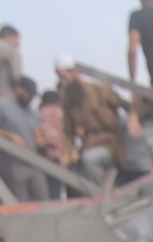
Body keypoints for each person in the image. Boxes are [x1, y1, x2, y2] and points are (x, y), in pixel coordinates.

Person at [58, 62, 136, 190]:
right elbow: (69, 132)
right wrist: (65, 154)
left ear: (76, 73)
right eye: (61, 77)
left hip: (113, 142)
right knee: (78, 165)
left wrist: (134, 117)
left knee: (89, 159)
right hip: (91, 143)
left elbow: (128, 106)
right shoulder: (69, 101)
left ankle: (104, 193)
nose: (64, 80)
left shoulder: (100, 90)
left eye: (66, 75)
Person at [0, 77, 49, 204]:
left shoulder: (32, 113)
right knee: (20, 202)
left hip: (33, 161)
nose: (30, 99)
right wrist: (9, 136)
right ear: (18, 90)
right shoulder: (0, 105)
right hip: (12, 163)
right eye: (29, 94)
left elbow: (38, 137)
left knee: (43, 200)